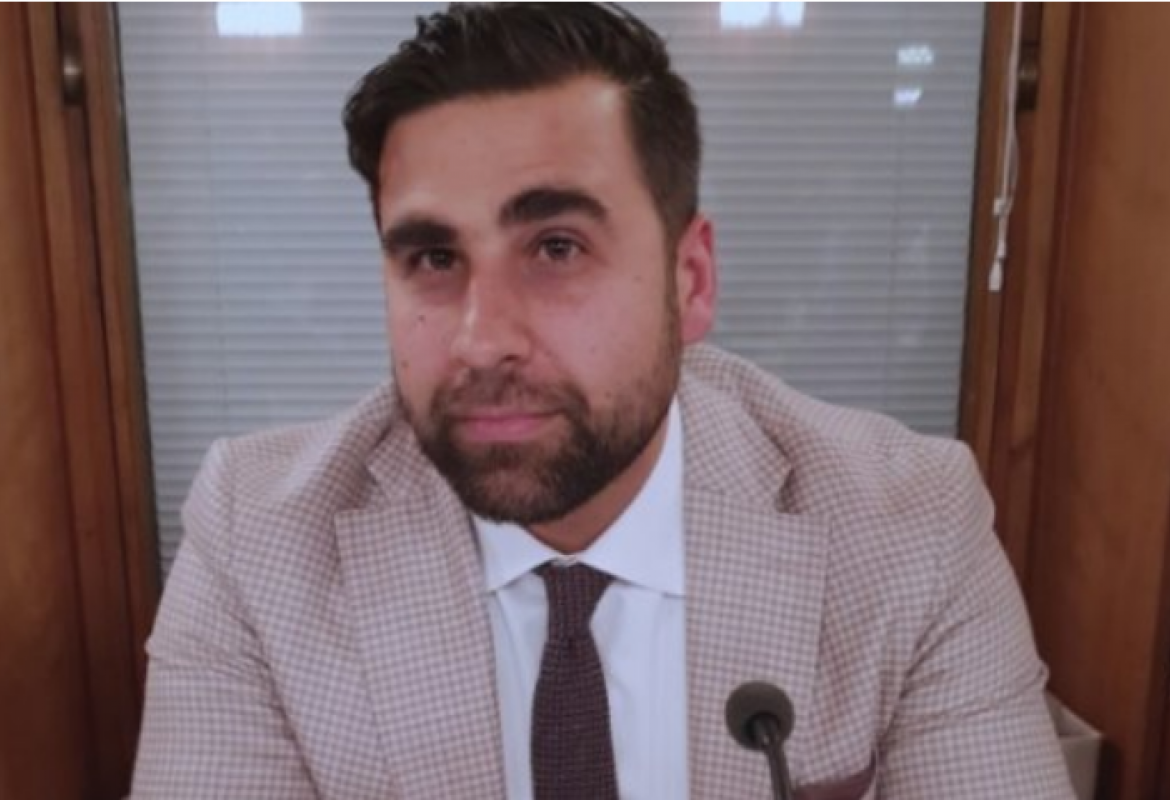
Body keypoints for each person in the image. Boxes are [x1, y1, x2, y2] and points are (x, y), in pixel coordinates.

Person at [130, 4, 1075, 799]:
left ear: (689, 280)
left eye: (556, 249)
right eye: (433, 257)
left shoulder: (909, 528)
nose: (481, 339)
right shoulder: (260, 540)